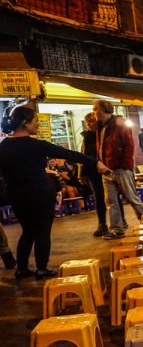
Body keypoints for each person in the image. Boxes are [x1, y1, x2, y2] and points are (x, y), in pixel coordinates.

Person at [0, 104, 108, 278]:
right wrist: (95, 162)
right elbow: (69, 154)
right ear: (25, 123)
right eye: (35, 121)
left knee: (27, 230)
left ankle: (21, 268)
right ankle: (41, 268)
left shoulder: (3, 147)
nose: (37, 124)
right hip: (40, 193)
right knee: (42, 230)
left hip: (17, 195)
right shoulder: (37, 145)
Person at [93, 99, 143, 240]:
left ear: (104, 110)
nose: (94, 112)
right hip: (106, 169)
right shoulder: (99, 126)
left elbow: (129, 146)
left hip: (121, 169)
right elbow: (100, 147)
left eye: (95, 109)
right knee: (110, 201)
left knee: (132, 198)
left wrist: (126, 165)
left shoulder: (119, 124)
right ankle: (117, 229)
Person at [81, 113, 109, 236]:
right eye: (87, 122)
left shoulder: (105, 134)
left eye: (91, 121)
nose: (88, 124)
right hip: (93, 171)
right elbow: (84, 155)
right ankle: (102, 224)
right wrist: (81, 174)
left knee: (112, 197)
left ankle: (120, 221)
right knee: (98, 197)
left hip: (107, 169)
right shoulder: (86, 136)